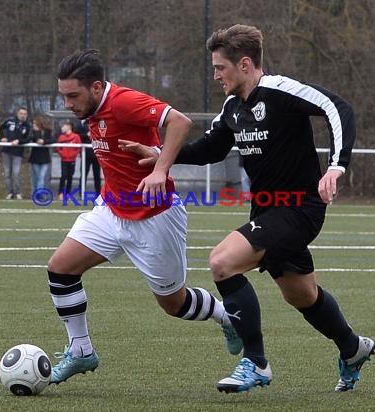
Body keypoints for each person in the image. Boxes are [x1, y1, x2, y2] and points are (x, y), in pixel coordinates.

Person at [120, 24, 375, 394]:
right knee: (301, 294)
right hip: (268, 212)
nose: (215, 75)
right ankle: (353, 349)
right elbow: (210, 149)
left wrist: (337, 165)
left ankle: (256, 363)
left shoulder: (280, 91)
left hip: (299, 208)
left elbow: (338, 109)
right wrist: (163, 155)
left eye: (220, 67)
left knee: (222, 261)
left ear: (243, 64)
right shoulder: (233, 108)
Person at [46, 49, 241, 385]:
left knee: (174, 304)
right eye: (63, 96)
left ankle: (228, 318)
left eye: (73, 95)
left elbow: (179, 122)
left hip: (156, 216)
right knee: (60, 268)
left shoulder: (123, 101)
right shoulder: (90, 108)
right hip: (111, 209)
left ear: (96, 87)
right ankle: (81, 352)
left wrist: (160, 169)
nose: (68, 104)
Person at [0, 106, 31, 200]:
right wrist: (1, 138)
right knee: (7, 173)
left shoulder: (27, 126)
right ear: (17, 114)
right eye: (21, 113)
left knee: (16, 173)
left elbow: (28, 138)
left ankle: (18, 192)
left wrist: (19, 141)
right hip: (6, 151)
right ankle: (10, 192)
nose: (23, 116)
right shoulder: (9, 121)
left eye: (25, 114)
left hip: (18, 153)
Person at [56, 120, 82, 200]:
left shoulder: (76, 137)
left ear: (68, 127)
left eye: (63, 126)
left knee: (70, 177)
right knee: (63, 176)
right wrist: (62, 154)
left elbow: (79, 148)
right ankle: (60, 193)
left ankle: (68, 193)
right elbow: (58, 148)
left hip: (72, 160)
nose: (62, 128)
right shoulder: (61, 137)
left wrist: (73, 155)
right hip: (64, 160)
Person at [28, 115, 53, 193]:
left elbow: (53, 140)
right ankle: (36, 192)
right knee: (37, 176)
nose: (33, 124)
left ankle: (38, 194)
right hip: (35, 157)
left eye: (35, 123)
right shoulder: (32, 131)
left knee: (41, 176)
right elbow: (32, 138)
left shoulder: (48, 131)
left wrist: (44, 142)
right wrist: (36, 132)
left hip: (45, 158)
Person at [77, 120, 102, 193]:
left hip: (96, 154)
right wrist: (86, 134)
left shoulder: (97, 123)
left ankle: (99, 193)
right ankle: (81, 192)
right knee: (83, 174)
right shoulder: (81, 124)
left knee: (97, 175)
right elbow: (77, 135)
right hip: (86, 155)